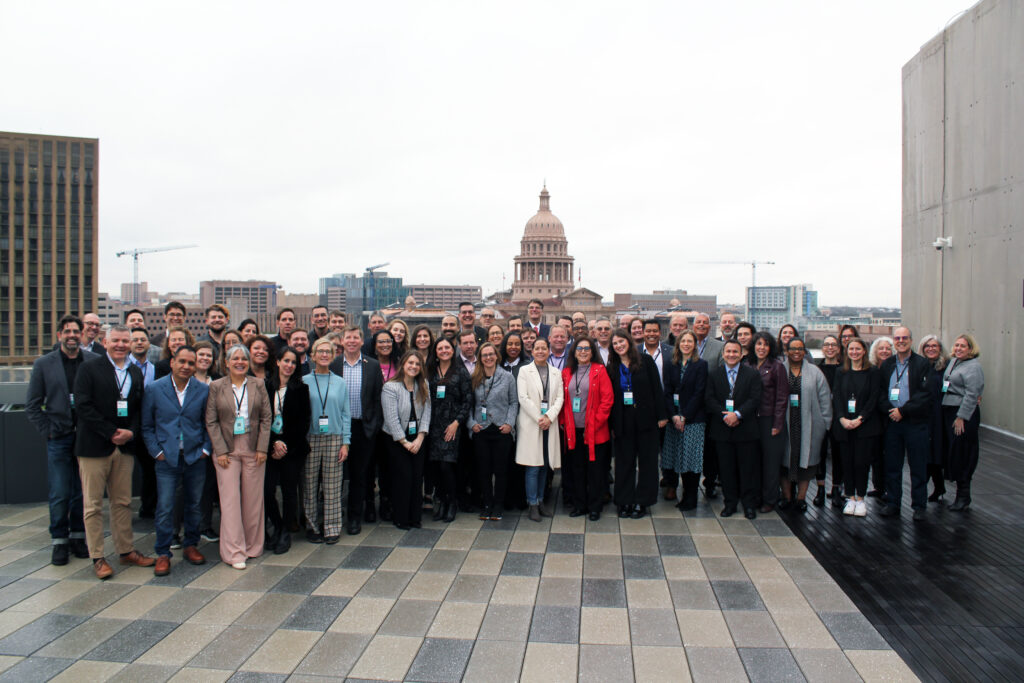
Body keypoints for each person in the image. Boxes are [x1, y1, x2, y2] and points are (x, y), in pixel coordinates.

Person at [73, 325, 155, 579]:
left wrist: (131, 432)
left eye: (124, 341)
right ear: (105, 342)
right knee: (93, 505)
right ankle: (98, 557)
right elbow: (83, 406)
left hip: (125, 447)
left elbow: (138, 407)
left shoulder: (133, 372)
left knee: (122, 502)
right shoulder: (89, 368)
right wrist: (110, 432)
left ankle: (126, 550)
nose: (120, 345)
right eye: (116, 340)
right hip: (95, 446)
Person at [26, 315, 97, 565]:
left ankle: (78, 537)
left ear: (82, 334)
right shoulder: (44, 364)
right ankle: (59, 540)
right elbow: (33, 405)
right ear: (59, 335)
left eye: (76, 331)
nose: (72, 335)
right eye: (67, 331)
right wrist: (48, 430)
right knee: (59, 491)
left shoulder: (93, 361)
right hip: (59, 436)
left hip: (86, 437)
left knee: (82, 491)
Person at [141, 346, 211, 576]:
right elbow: (147, 426)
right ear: (172, 362)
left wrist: (205, 450)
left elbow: (208, 423)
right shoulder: (154, 389)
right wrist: (156, 451)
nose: (186, 367)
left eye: (191, 363)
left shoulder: (202, 390)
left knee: (193, 504)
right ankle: (163, 552)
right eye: (182, 361)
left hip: (194, 457)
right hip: (167, 459)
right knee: (165, 507)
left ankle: (191, 545)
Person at [206, 344, 272, 567]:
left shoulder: (259, 384)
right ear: (226, 362)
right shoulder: (216, 386)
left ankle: (253, 546)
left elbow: (266, 418)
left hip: (253, 447)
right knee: (230, 501)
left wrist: (263, 448)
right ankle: (235, 552)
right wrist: (221, 450)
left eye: (243, 358)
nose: (240, 362)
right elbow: (211, 420)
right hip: (227, 449)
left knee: (253, 500)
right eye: (235, 358)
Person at [329, 326, 384, 535]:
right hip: (338, 427)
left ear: (362, 341)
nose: (352, 341)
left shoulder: (372, 366)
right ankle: (334, 516)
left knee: (360, 475)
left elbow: (378, 398)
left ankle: (354, 517)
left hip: (363, 428)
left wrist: (374, 425)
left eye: (356, 337)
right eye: (348, 337)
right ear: (342, 341)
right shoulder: (333, 365)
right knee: (336, 474)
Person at [609, 329, 668, 519]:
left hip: (646, 419)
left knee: (648, 462)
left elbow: (657, 389)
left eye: (621, 341)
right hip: (622, 421)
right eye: (615, 343)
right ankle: (624, 500)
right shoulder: (611, 367)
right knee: (624, 463)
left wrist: (661, 415)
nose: (619, 345)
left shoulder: (645, 361)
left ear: (629, 341)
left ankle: (643, 501)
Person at [878, 327, 934, 521]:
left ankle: (919, 505)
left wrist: (904, 411)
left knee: (918, 465)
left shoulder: (923, 364)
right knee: (893, 465)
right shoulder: (887, 365)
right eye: (897, 338)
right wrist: (891, 411)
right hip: (893, 422)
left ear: (911, 340)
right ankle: (893, 502)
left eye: (904, 338)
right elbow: (880, 393)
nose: (901, 341)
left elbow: (925, 395)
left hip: (915, 422)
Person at [704, 339, 762, 519]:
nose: (731, 355)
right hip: (722, 429)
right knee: (726, 470)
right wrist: (725, 415)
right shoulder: (714, 374)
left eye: (735, 352)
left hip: (745, 429)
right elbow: (709, 398)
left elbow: (755, 398)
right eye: (728, 352)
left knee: (747, 470)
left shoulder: (752, 374)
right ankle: (730, 503)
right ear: (723, 354)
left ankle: (748, 505)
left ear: (741, 354)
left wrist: (737, 414)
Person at [300, 338, 351, 543]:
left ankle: (332, 527)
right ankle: (311, 526)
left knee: (332, 485)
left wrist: (345, 442)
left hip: (334, 437)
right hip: (310, 437)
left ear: (333, 355)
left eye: (327, 352)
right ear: (313, 355)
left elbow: (346, 414)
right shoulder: (304, 381)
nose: (323, 355)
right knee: (310, 484)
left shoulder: (340, 382)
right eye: (320, 351)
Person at [557, 337, 611, 520]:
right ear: (574, 351)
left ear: (592, 351)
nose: (583, 351)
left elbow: (607, 400)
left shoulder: (600, 371)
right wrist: (563, 421)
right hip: (573, 430)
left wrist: (596, 422)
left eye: (587, 348)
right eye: (579, 348)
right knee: (577, 469)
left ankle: (595, 507)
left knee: (595, 470)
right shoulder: (566, 373)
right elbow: (561, 401)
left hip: (595, 430)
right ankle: (580, 505)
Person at [263, 346, 311, 553]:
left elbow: (303, 422)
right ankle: (278, 523)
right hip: (270, 447)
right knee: (266, 490)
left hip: (293, 449)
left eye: (293, 362)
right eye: (286, 361)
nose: (289, 365)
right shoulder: (265, 387)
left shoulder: (301, 389)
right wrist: (274, 442)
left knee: (291, 491)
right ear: (277, 361)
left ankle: (283, 532)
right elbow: (262, 419)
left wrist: (285, 445)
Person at [780, 338, 832, 512]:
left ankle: (801, 498)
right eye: (792, 348)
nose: (796, 352)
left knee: (807, 463)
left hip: (809, 423)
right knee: (784, 461)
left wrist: (825, 423)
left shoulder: (815, 372)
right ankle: (787, 497)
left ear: (804, 351)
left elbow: (825, 399)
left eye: (800, 349)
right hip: (785, 423)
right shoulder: (780, 369)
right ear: (786, 351)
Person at [468, 343, 519, 520]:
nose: (488, 358)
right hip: (481, 429)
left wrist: (509, 424)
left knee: (501, 470)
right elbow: (469, 403)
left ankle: (498, 504)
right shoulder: (474, 377)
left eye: (491, 354)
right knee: (483, 470)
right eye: (484, 355)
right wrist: (471, 423)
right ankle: (487, 503)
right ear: (480, 358)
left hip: (501, 430)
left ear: (496, 356)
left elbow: (514, 403)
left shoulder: (507, 378)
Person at [382, 351, 432, 530]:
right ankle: (401, 517)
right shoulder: (390, 387)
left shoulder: (423, 384)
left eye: (417, 364)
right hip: (397, 440)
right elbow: (391, 418)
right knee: (403, 478)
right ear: (403, 364)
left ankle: (415, 517)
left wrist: (420, 438)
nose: (414, 367)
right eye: (410, 363)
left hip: (417, 438)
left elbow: (427, 412)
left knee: (417, 478)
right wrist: (405, 442)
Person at [831, 337, 880, 517]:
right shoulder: (840, 372)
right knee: (847, 463)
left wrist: (860, 418)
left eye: (858, 349)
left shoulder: (872, 372)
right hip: (844, 425)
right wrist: (842, 418)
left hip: (864, 426)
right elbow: (836, 396)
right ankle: (850, 497)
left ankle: (860, 498)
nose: (854, 352)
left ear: (864, 351)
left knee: (861, 463)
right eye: (851, 349)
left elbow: (873, 398)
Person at [516, 338, 563, 522]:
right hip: (531, 423)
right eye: (538, 348)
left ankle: (541, 500)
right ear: (532, 351)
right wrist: (539, 418)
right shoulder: (524, 371)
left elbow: (560, 397)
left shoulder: (556, 372)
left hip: (549, 424)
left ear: (549, 351)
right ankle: (532, 504)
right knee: (533, 467)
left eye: (544, 348)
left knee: (545, 465)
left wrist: (550, 417)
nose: (541, 351)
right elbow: (523, 397)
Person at [427, 337, 472, 522]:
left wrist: (456, 423)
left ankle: (452, 502)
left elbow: (467, 400)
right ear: (435, 352)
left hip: (452, 426)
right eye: (440, 348)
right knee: (436, 467)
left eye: (447, 347)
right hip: (433, 425)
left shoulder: (461, 372)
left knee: (447, 466)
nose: (444, 350)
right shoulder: (430, 371)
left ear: (453, 350)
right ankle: (442, 502)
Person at [662, 331, 708, 511]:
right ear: (678, 344)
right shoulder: (671, 364)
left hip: (693, 419)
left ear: (695, 345)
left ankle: (690, 498)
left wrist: (684, 416)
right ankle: (680, 495)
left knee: (691, 460)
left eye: (690, 341)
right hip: (674, 419)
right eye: (683, 341)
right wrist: (673, 415)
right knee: (676, 459)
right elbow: (666, 390)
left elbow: (699, 393)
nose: (686, 344)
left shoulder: (701, 365)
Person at [942, 334, 985, 512]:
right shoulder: (954, 362)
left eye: (963, 346)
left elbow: (972, 394)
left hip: (963, 413)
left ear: (970, 349)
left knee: (963, 452)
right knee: (953, 450)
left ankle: (963, 495)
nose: (959, 348)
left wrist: (962, 417)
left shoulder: (973, 367)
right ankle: (959, 493)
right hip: (949, 409)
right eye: (957, 345)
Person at [746, 332, 787, 513]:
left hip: (769, 420)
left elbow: (781, 398)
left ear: (771, 348)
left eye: (765, 344)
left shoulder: (777, 367)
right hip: (750, 420)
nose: (761, 348)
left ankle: (769, 499)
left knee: (770, 464)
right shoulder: (747, 364)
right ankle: (754, 497)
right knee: (753, 462)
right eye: (758, 344)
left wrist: (777, 424)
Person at [693, 313, 724, 499]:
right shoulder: (685, 343)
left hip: (709, 405)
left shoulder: (719, 347)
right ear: (693, 325)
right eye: (699, 322)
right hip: (690, 405)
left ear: (710, 326)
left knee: (710, 448)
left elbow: (721, 376)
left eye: (705, 322)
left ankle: (710, 481)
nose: (702, 325)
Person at [815, 334, 844, 507]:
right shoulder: (817, 370)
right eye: (827, 345)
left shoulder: (844, 369)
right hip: (821, 416)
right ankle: (820, 489)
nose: (830, 348)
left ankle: (836, 488)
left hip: (839, 417)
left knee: (838, 454)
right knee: (820, 454)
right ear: (823, 348)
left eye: (834, 345)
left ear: (839, 349)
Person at [919, 335, 949, 501]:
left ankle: (936, 487)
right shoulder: (919, 367)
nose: (931, 349)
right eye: (927, 346)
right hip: (923, 414)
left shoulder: (946, 367)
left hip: (940, 415)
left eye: (934, 346)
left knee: (937, 450)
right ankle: (937, 487)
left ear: (940, 348)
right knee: (926, 451)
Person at [867, 335, 894, 497]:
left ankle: (890, 488)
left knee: (890, 454)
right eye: (881, 348)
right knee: (875, 454)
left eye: (887, 348)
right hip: (873, 417)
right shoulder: (871, 369)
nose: (884, 351)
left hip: (891, 415)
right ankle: (878, 486)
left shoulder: (896, 368)